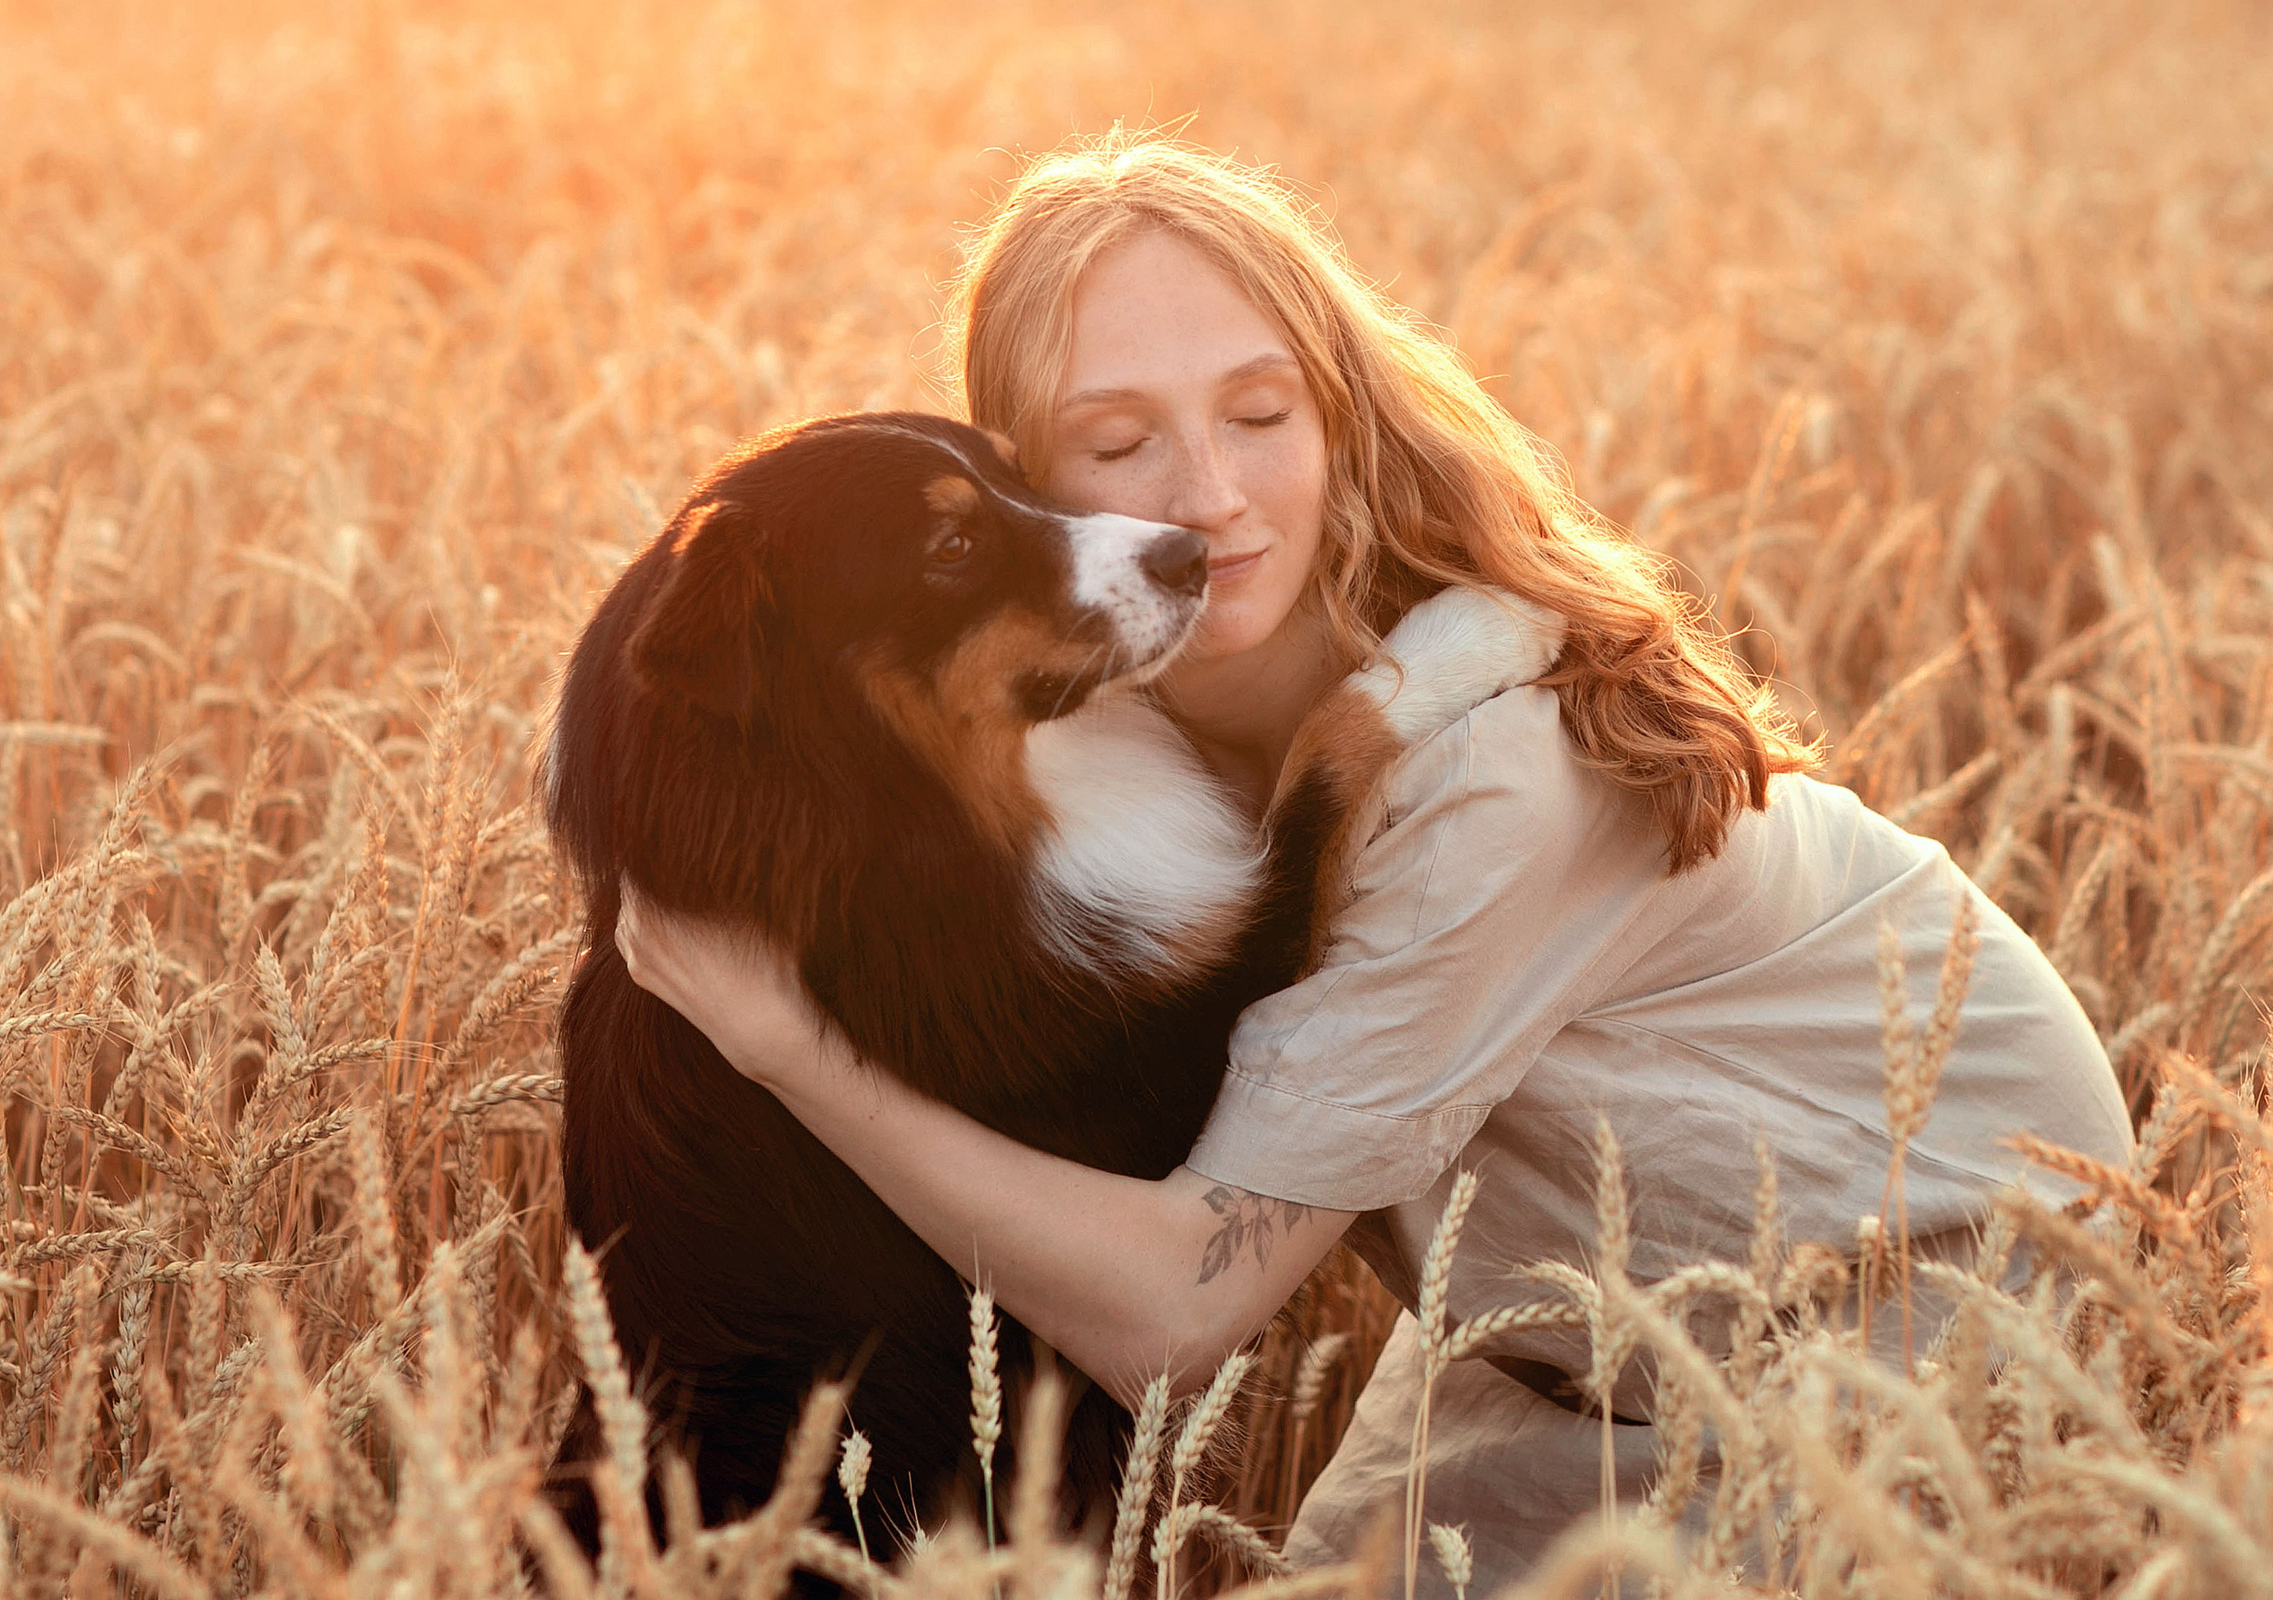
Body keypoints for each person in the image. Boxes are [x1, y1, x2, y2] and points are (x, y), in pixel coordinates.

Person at [611, 135, 2135, 1586]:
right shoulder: (1138, 731)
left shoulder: (1488, 772)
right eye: (1119, 440)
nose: (1207, 495)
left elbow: (1169, 1308)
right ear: (1023, 487)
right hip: (1551, 1343)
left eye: (1262, 417)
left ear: (1346, 419)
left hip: (1916, 1305)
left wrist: (786, 1047)